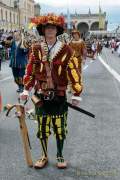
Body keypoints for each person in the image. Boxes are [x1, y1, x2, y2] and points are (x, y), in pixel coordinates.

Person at [21, 14, 83, 169]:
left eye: (53, 28)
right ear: (43, 30)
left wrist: (76, 93)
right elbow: (30, 71)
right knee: (42, 129)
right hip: (41, 95)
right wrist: (26, 90)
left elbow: (74, 72)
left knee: (60, 129)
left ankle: (60, 155)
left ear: (57, 30)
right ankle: (44, 156)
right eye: (47, 28)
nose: (50, 30)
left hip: (59, 97)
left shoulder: (67, 50)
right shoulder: (35, 49)